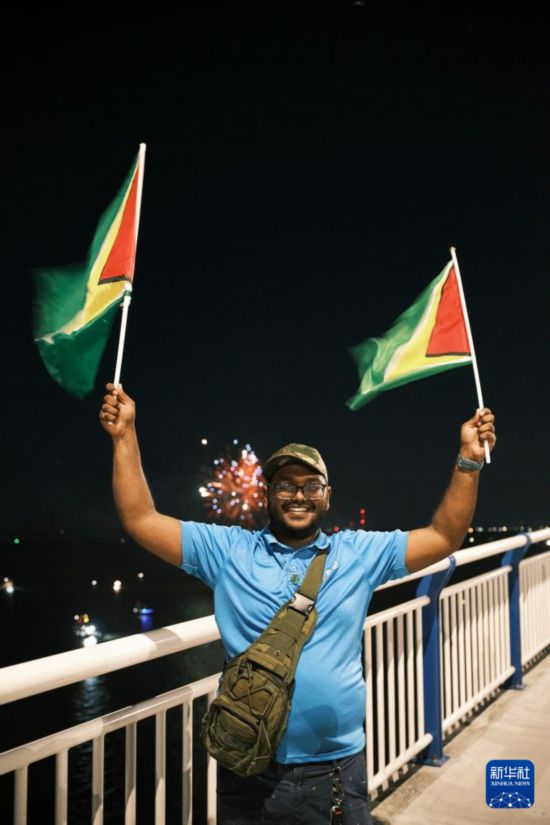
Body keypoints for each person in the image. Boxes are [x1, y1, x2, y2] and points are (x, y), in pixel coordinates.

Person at [99, 383, 496, 825]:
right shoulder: (229, 551)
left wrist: (469, 462)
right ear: (267, 493)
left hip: (336, 770)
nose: (299, 495)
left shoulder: (359, 555)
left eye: (311, 485)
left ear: (329, 495)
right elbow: (141, 519)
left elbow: (444, 536)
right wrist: (124, 435)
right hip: (249, 768)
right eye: (285, 485)